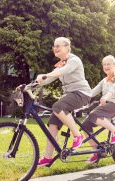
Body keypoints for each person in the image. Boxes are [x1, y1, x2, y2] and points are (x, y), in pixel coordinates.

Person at [36, 37, 92, 166]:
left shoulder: (74, 60)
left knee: (58, 106)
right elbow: (49, 79)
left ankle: (77, 136)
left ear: (67, 47)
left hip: (82, 93)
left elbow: (62, 72)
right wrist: (30, 84)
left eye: (58, 45)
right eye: (54, 46)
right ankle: (48, 157)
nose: (55, 48)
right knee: (52, 123)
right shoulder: (61, 63)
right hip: (70, 95)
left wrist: (46, 75)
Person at [82, 55, 115, 164]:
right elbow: (92, 93)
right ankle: (96, 152)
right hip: (105, 105)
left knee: (93, 114)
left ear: (114, 65)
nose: (106, 66)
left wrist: (106, 97)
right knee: (85, 125)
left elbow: (114, 89)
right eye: (104, 64)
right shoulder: (104, 81)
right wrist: (79, 100)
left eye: (108, 64)